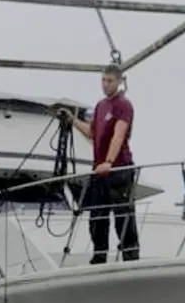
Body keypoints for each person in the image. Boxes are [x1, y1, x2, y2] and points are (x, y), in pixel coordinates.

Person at [60, 65, 141, 263]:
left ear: (120, 81)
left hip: (118, 168)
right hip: (100, 170)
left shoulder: (124, 105)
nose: (105, 85)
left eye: (110, 81)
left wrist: (109, 162)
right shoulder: (100, 105)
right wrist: (72, 120)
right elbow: (92, 132)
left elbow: (119, 134)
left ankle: (130, 255)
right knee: (97, 216)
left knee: (123, 215)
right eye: (103, 80)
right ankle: (99, 256)